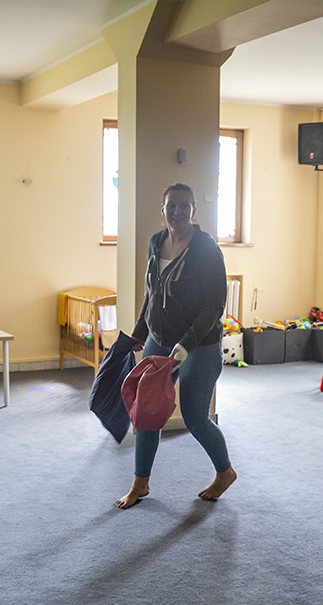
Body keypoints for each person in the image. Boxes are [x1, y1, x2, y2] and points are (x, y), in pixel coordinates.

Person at [117, 183, 237, 508]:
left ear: (194, 210)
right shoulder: (156, 243)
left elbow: (215, 304)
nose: (178, 211)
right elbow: (152, 294)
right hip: (160, 339)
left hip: (200, 344)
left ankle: (225, 472)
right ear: (163, 208)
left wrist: (186, 344)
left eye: (185, 206)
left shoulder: (207, 249)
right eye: (172, 205)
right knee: (147, 411)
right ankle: (140, 483)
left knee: (195, 418)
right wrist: (140, 332)